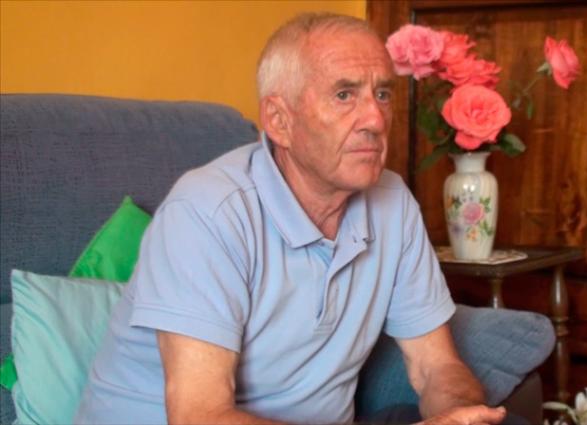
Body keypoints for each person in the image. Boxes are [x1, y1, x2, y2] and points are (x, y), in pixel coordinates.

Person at [76, 13, 510, 425]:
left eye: (382, 94)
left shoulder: (392, 202)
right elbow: (199, 416)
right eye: (344, 95)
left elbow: (435, 366)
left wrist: (462, 414)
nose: (375, 119)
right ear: (279, 121)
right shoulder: (207, 212)